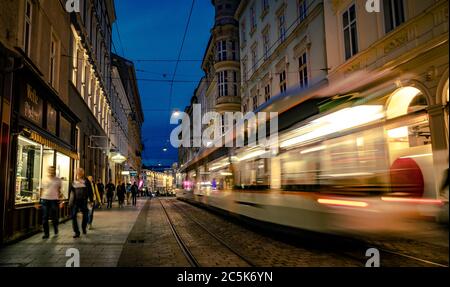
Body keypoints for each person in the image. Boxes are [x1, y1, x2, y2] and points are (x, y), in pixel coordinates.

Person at [69, 168, 93, 238]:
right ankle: (76, 232)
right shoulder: (74, 181)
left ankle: (83, 227)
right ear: (76, 173)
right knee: (73, 216)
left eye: (80, 172)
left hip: (83, 201)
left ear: (83, 173)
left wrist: (91, 201)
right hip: (75, 201)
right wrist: (69, 201)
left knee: (85, 215)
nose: (79, 173)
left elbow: (90, 191)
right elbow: (71, 192)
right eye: (78, 172)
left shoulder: (86, 181)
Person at [40, 166, 63, 239]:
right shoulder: (44, 179)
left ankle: (56, 229)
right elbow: (41, 190)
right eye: (50, 170)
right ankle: (46, 234)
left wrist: (61, 201)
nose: (51, 171)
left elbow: (60, 191)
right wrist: (39, 200)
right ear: (48, 171)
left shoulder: (58, 180)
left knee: (54, 217)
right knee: (45, 217)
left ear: (54, 171)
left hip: (54, 200)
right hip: (44, 199)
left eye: (52, 170)